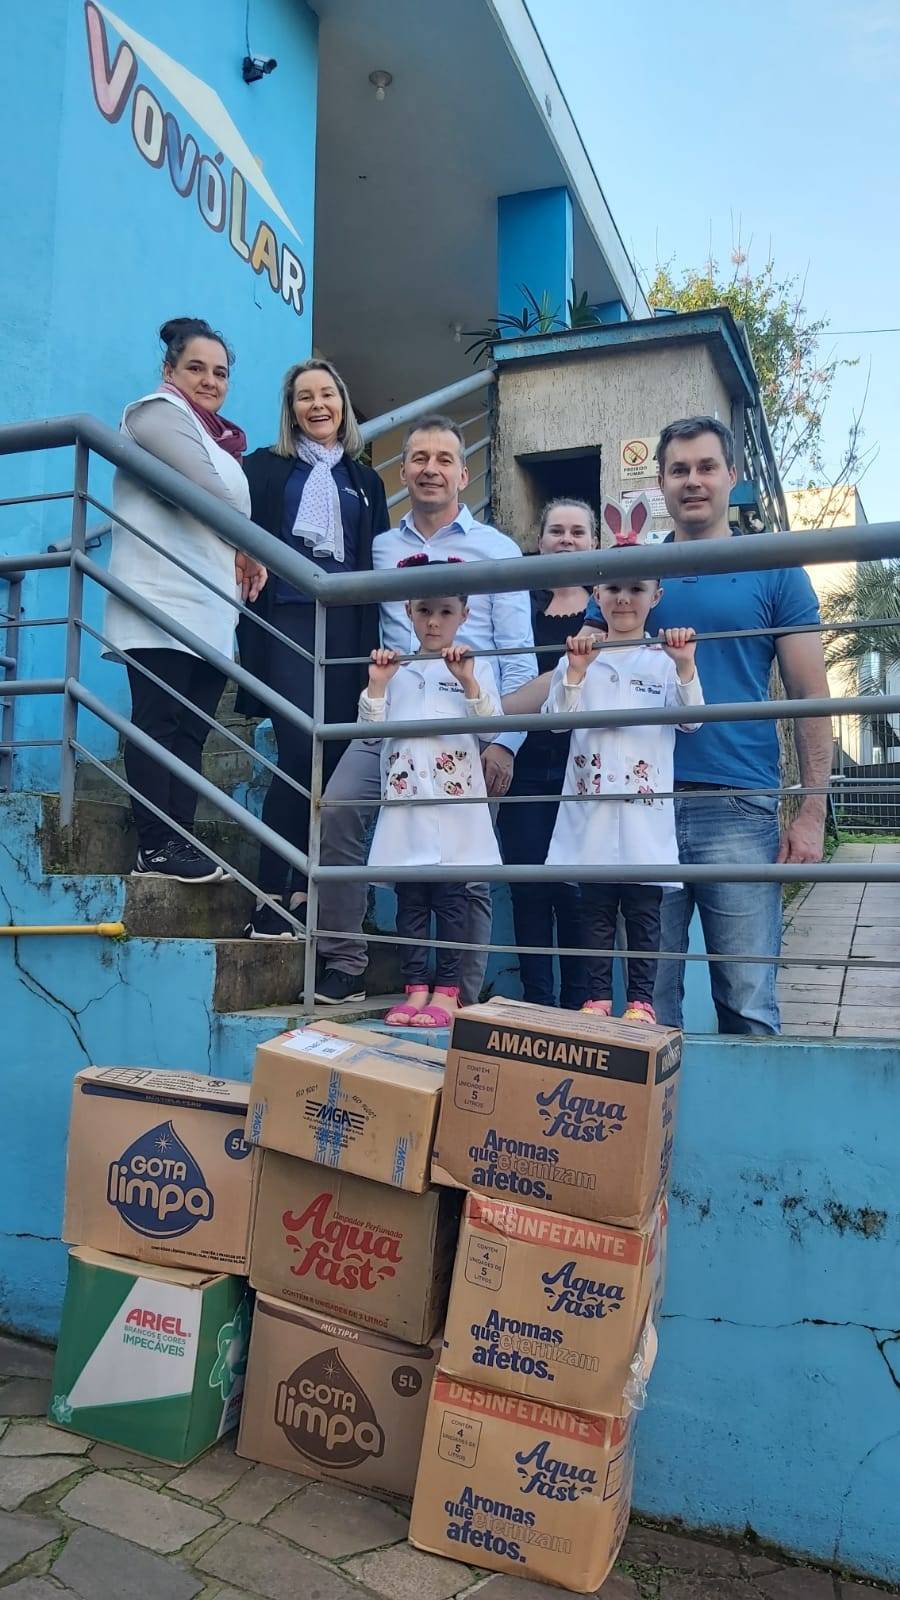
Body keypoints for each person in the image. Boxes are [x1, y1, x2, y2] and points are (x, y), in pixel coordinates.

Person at [583, 416, 831, 1034]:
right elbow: (578, 672)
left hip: (738, 803)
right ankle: (659, 1133)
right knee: (650, 1005)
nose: (693, 481)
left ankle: (747, 1133)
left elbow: (810, 694)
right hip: (643, 809)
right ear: (661, 483)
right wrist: (484, 712)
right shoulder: (632, 575)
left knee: (748, 999)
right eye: (679, 470)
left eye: (706, 467)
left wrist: (812, 810)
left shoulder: (775, 566)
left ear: (733, 476)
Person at [312, 412, 537, 1006]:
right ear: (403, 469)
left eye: (443, 459)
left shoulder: (497, 550)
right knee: (337, 810)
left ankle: (458, 994)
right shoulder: (380, 549)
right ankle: (343, 959)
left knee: (468, 866)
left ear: (464, 473)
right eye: (418, 458)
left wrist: (503, 743)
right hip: (394, 716)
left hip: (470, 723)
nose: (430, 469)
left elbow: (519, 664)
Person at [105, 316, 266, 883]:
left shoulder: (221, 436)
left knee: (190, 731)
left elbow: (221, 502)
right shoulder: (154, 413)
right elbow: (208, 493)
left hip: (210, 606)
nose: (209, 380)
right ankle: (155, 846)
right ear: (169, 369)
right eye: (195, 367)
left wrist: (243, 549)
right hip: (160, 597)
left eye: (220, 372)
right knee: (160, 721)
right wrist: (250, 545)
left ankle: (179, 839)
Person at [237, 359, 389, 938]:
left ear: (344, 405)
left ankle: (311, 895)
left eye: (328, 394)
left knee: (335, 767)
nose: (318, 406)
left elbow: (372, 559)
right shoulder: (266, 469)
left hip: (348, 632)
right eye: (305, 397)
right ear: (291, 408)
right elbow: (233, 520)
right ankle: (271, 893)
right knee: (301, 754)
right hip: (287, 623)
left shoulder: (365, 479)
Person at [545, 540, 703, 1021]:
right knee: (592, 911)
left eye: (637, 588)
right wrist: (574, 672)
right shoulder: (578, 655)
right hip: (591, 811)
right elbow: (556, 720)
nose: (624, 598)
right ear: (597, 592)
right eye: (613, 587)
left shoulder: (663, 659)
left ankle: (640, 1002)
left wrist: (685, 665)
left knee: (644, 912)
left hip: (642, 818)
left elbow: (692, 719)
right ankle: (595, 998)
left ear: (656, 596)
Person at [360, 557, 502, 1028]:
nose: (434, 621)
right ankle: (414, 987)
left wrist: (467, 680)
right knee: (411, 905)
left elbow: (492, 727)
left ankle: (449, 990)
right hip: (406, 809)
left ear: (464, 613)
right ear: (408, 611)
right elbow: (371, 734)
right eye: (424, 611)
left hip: (455, 812)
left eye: (445, 611)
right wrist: (377, 686)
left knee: (453, 902)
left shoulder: (474, 667)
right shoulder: (395, 670)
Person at [498, 499, 597, 1009]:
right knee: (529, 891)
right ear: (539, 541)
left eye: (578, 532)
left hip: (585, 772)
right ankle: (537, 1004)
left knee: (579, 896)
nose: (566, 539)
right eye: (556, 530)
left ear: (594, 543)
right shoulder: (520, 606)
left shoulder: (605, 608)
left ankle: (580, 1010)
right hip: (525, 767)